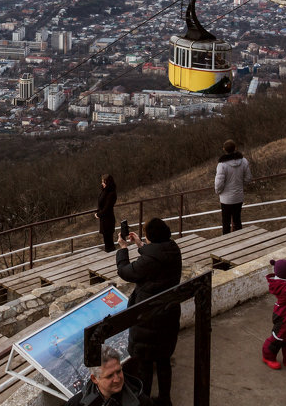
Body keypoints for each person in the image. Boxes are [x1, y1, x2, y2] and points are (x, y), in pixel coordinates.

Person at [116, 217, 182, 406]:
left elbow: (126, 272)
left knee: (144, 364)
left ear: (151, 237)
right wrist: (141, 245)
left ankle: (144, 403)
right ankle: (164, 399)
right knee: (163, 361)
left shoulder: (151, 260)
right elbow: (155, 256)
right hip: (169, 314)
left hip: (148, 319)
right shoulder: (172, 249)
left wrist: (122, 249)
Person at [65, 343, 152, 406]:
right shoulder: (76, 403)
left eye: (118, 371)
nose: (117, 379)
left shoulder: (140, 400)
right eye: (109, 376)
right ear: (95, 379)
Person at [213, 140, 252, 234]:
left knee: (226, 223)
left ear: (224, 149)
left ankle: (227, 245)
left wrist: (218, 191)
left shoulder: (222, 165)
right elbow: (248, 178)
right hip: (239, 197)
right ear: (235, 148)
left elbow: (218, 184)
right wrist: (239, 185)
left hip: (226, 199)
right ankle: (240, 241)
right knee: (237, 220)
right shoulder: (243, 161)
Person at [96, 174, 118, 252]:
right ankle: (110, 255)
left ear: (108, 183)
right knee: (107, 240)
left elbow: (107, 208)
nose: (102, 183)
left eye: (104, 182)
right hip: (104, 219)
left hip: (108, 220)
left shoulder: (111, 193)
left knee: (109, 242)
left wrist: (98, 214)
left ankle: (111, 257)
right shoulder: (105, 191)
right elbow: (101, 203)